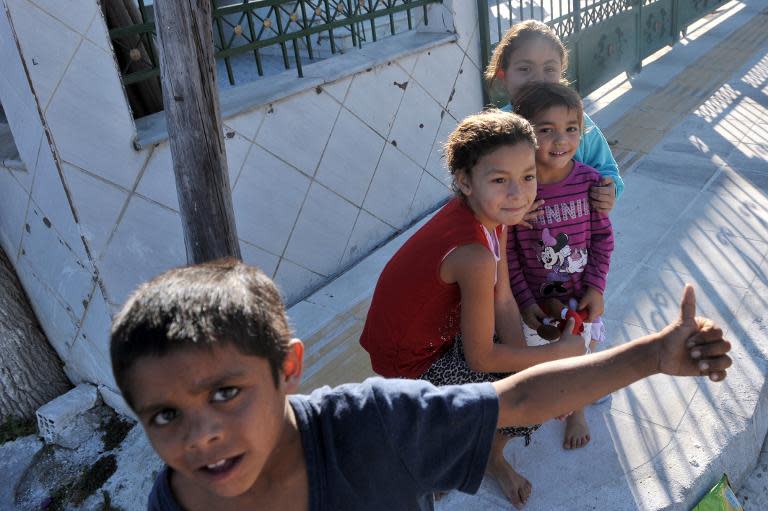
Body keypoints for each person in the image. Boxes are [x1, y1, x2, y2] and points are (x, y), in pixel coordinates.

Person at [110, 259, 730, 511]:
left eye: (225, 393)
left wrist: (651, 354)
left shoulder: (375, 426)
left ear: (288, 367)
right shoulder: (174, 496)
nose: (202, 436)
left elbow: (513, 399)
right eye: (164, 415)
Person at [360, 110, 598, 507]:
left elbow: (502, 298)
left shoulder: (492, 218)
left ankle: (470, 441)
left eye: (527, 176)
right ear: (465, 182)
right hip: (410, 368)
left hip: (433, 339)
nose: (519, 193)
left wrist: (531, 357)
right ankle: (473, 453)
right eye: (499, 180)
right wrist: (549, 360)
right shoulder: (473, 255)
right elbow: (481, 355)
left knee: (534, 368)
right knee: (542, 391)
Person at [508, 81, 614, 451]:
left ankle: (577, 410)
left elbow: (603, 239)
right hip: (539, 305)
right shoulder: (518, 192)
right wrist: (524, 302)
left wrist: (597, 287)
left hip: (582, 298)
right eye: (546, 130)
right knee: (544, 359)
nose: (561, 140)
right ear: (526, 134)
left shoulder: (590, 182)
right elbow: (509, 255)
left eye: (571, 129)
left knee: (580, 358)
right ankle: (550, 398)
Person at [484, 19, 624, 220]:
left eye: (549, 69)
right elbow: (484, 186)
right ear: (503, 75)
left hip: (575, 242)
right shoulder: (497, 128)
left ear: (561, 73)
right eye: (525, 69)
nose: (538, 79)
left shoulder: (577, 125)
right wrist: (506, 212)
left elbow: (606, 168)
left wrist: (609, 189)